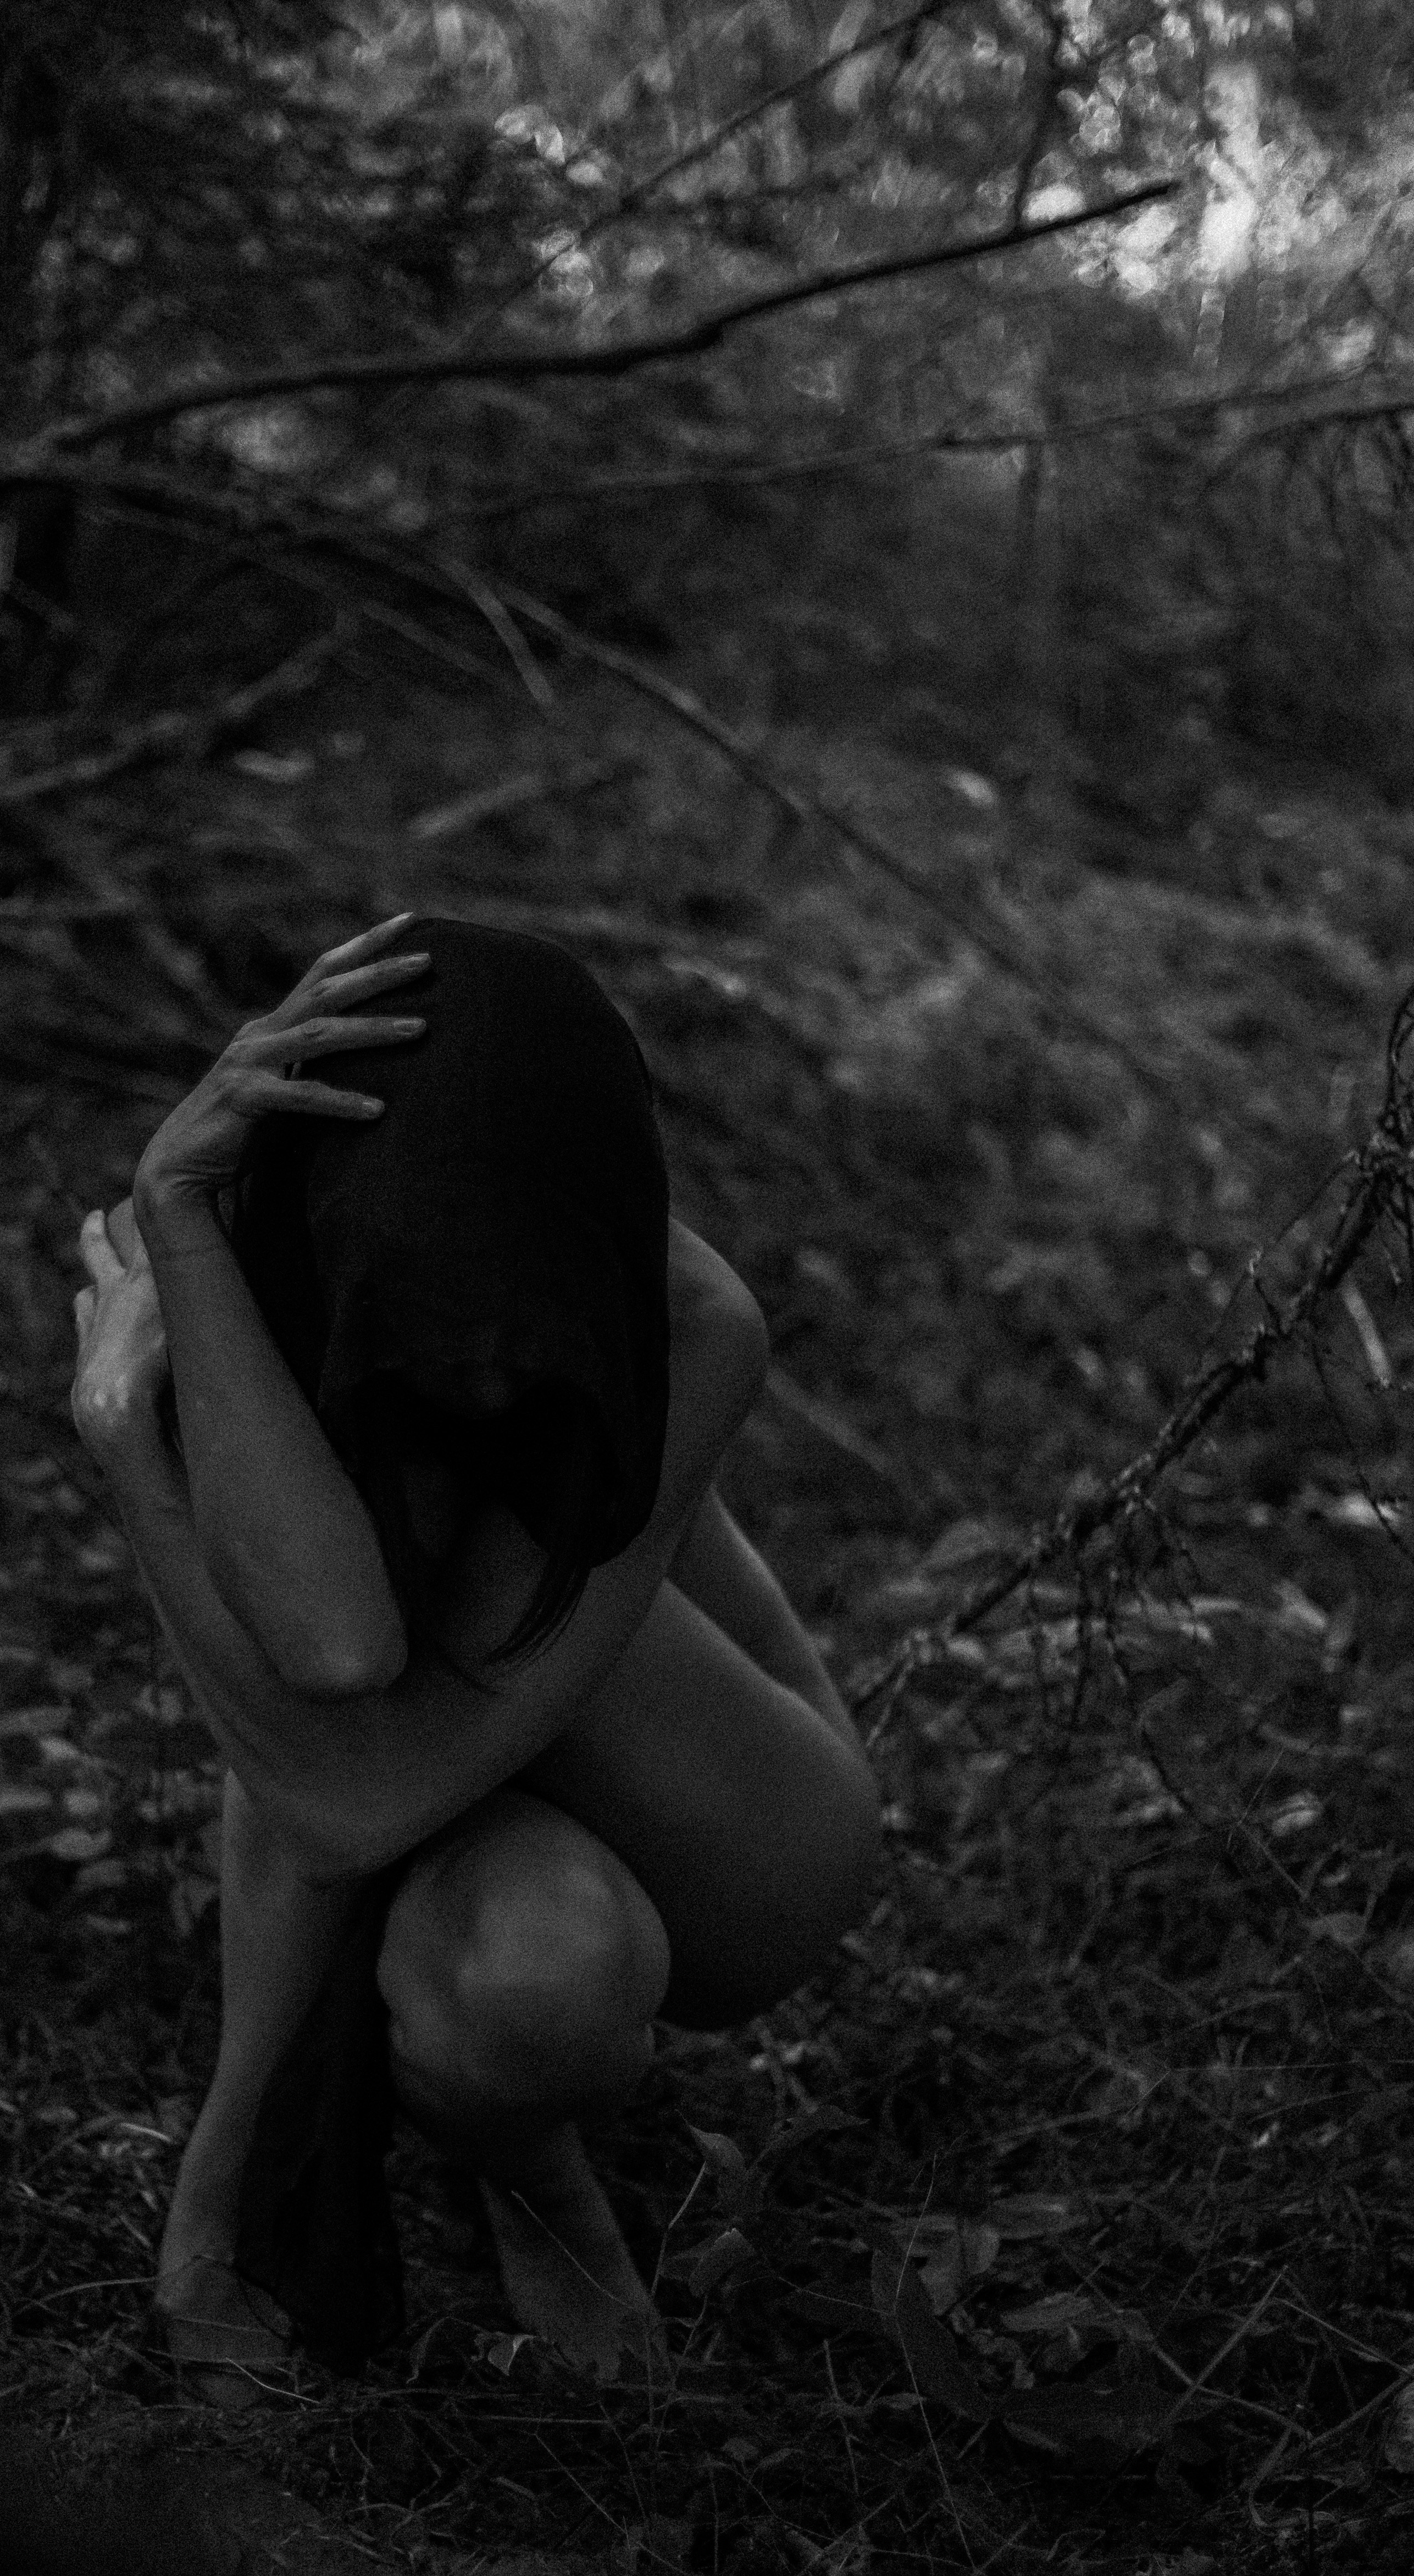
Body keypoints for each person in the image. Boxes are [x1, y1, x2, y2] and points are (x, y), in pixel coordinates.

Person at [69, 914, 879, 2397]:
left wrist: (133, 1453)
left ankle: (529, 2178)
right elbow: (327, 1666)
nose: (494, 1373)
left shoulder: (690, 1321)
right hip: (466, 1791)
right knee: (525, 1970)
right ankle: (529, 2163)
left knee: (358, 1709)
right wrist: (175, 1217)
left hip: (748, 1840)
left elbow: (332, 1793)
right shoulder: (273, 1259)